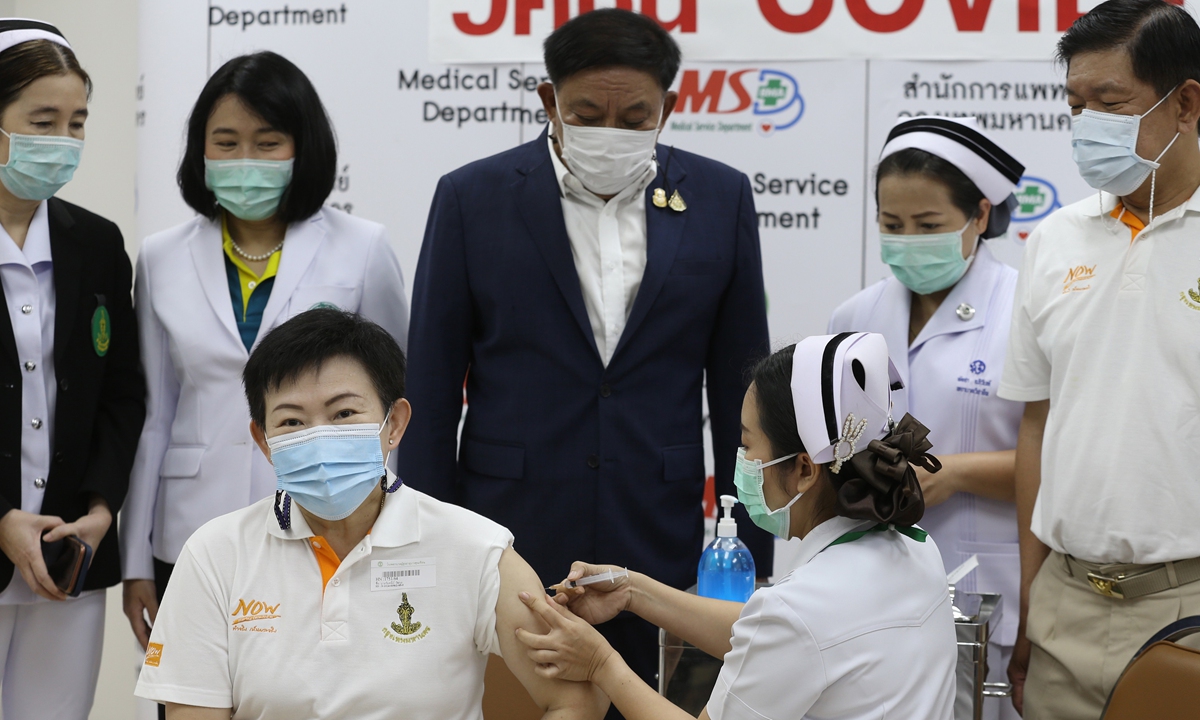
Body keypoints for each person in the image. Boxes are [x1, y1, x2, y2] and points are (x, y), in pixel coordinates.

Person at [398, 9, 772, 699]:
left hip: (659, 540)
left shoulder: (721, 199)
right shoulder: (470, 198)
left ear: (669, 108)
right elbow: (430, 380)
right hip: (505, 536)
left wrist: (752, 552)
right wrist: (427, 551)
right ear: (549, 101)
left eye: (635, 117)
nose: (612, 131)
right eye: (587, 112)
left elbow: (741, 391)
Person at [133, 310, 605, 720]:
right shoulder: (215, 555)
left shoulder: (475, 548)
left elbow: (576, 699)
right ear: (264, 441)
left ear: (394, 423)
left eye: (343, 414)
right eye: (292, 422)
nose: (319, 437)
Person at [120, 51, 409, 665]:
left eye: (267, 142)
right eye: (225, 143)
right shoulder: (162, 256)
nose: (244, 161)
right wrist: (135, 559)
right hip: (189, 530)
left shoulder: (363, 248)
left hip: (332, 518)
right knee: (194, 693)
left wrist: (391, 525)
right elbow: (153, 413)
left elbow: (390, 403)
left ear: (303, 149)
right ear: (200, 153)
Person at [514, 333, 957, 719]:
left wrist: (600, 665)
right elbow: (776, 639)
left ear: (804, 469)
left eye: (748, 444)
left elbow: (787, 632)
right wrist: (633, 591)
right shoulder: (916, 548)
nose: (743, 462)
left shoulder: (800, 609)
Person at [999, 1, 1200, 717]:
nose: (1088, 126)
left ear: (1186, 104)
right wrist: (1030, 598)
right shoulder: (1054, 241)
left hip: (1189, 608)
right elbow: (1035, 423)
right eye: (1075, 105)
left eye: (1110, 104)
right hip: (1065, 604)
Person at [829, 116, 1025, 719]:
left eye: (929, 225)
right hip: (874, 593)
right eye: (892, 225)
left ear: (980, 216)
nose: (907, 240)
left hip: (996, 591)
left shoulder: (1026, 310)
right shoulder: (855, 315)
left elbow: (1070, 459)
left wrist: (956, 473)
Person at [0, 20, 146, 718]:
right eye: (41, 121)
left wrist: (99, 509)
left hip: (67, 560)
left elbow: (123, 394)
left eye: (77, 122)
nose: (61, 140)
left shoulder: (96, 240)